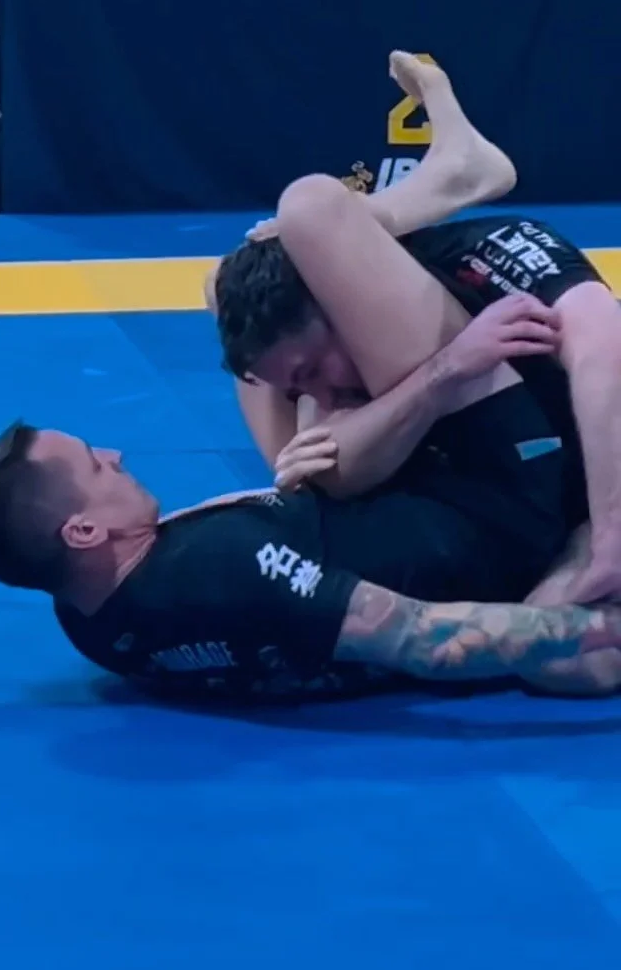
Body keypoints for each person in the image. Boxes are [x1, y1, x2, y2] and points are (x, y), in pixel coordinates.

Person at [212, 53, 621, 605]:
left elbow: (603, 338)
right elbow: (320, 470)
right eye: (297, 390)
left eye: (312, 371)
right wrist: (443, 369)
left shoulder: (483, 251)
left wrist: (611, 535)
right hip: (428, 493)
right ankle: (451, 171)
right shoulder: (334, 338)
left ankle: (453, 171)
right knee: (224, 282)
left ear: (335, 303)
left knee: (306, 210)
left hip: (522, 487)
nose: (320, 397)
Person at [0, 423, 621, 704]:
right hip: (504, 521)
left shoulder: (85, 615)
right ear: (84, 531)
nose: (116, 455)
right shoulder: (221, 568)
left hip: (433, 512)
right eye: (96, 466)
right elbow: (427, 639)